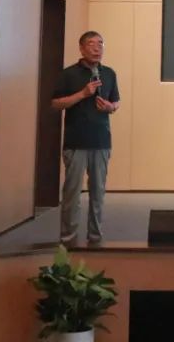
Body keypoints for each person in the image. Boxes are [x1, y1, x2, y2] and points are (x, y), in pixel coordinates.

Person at [51, 30, 120, 245]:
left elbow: (116, 102)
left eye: (101, 43)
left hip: (101, 141)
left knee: (98, 194)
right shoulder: (69, 74)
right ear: (81, 48)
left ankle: (95, 238)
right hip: (76, 142)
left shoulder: (109, 73)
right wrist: (83, 94)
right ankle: (68, 239)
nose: (97, 48)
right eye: (92, 44)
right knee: (72, 194)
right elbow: (56, 103)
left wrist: (110, 107)